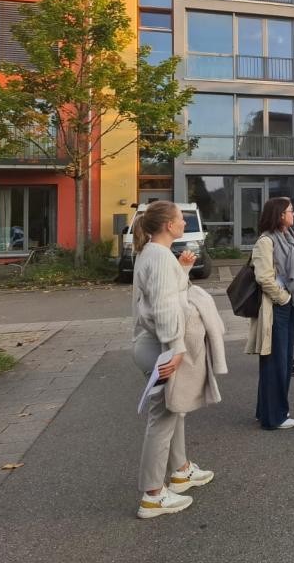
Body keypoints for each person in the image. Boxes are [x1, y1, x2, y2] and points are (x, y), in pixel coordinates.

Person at [130, 201, 216, 519]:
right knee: (163, 417)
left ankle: (180, 471)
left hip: (150, 344)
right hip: (160, 347)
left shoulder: (151, 253)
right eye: (181, 219)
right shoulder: (160, 257)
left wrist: (182, 268)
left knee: (173, 408)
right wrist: (176, 348)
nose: (183, 223)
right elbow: (166, 309)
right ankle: (152, 495)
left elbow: (160, 297)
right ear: (169, 225)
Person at [246, 197, 294, 431]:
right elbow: (263, 277)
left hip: (286, 305)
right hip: (276, 307)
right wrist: (284, 298)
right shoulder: (266, 241)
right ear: (280, 214)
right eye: (291, 211)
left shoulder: (288, 237)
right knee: (275, 363)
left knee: (282, 361)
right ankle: (274, 417)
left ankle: (268, 410)